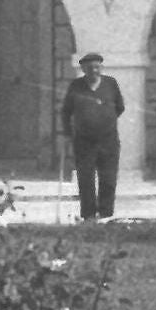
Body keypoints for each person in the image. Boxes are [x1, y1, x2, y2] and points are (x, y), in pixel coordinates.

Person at [59, 52, 126, 220]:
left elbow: (120, 107)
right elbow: (66, 111)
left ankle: (105, 214)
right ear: (83, 69)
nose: (94, 71)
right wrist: (67, 133)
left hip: (108, 140)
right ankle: (88, 215)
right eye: (89, 68)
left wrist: (104, 121)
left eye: (97, 67)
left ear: (101, 68)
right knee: (86, 179)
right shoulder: (76, 85)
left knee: (108, 178)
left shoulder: (110, 83)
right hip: (84, 141)